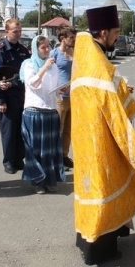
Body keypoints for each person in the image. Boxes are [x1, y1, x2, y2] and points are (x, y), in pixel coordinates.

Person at [71, 5, 135, 265]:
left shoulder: (88, 57)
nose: (116, 37)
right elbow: (110, 98)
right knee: (103, 185)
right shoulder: (97, 61)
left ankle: (87, 238)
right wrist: (125, 94)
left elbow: (103, 91)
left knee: (92, 185)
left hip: (86, 136)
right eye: (115, 32)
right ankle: (100, 250)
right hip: (101, 138)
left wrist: (121, 86)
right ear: (103, 32)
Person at [20, 35, 65, 194]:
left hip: (51, 111)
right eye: (43, 47)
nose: (47, 50)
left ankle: (50, 179)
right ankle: (37, 181)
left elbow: (54, 88)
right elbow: (33, 84)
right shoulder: (29, 64)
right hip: (34, 111)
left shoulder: (54, 67)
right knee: (36, 149)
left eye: (48, 46)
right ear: (35, 49)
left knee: (50, 149)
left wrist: (62, 89)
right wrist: (44, 67)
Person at [0, 18, 30, 174]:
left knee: (21, 129)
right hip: (7, 95)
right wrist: (0, 99)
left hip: (21, 94)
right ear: (6, 31)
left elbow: (26, 73)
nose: (18, 34)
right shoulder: (0, 49)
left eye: (20, 31)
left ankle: (18, 159)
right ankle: (8, 161)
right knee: (8, 130)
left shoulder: (22, 49)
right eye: (15, 31)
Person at [49, 26, 77, 170]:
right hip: (60, 97)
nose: (74, 40)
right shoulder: (55, 53)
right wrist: (57, 87)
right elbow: (48, 73)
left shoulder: (75, 52)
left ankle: (64, 156)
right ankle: (55, 158)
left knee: (68, 129)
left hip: (73, 97)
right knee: (58, 129)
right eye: (71, 37)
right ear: (63, 39)